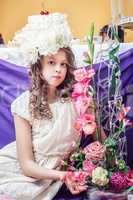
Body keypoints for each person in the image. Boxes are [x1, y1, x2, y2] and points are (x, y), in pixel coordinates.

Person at [0, 13, 88, 200]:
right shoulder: (23, 105)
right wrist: (63, 176)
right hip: (27, 172)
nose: (58, 69)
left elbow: (100, 138)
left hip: (59, 171)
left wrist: (91, 112)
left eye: (63, 64)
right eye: (51, 62)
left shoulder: (76, 98)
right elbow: (26, 165)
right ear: (38, 67)